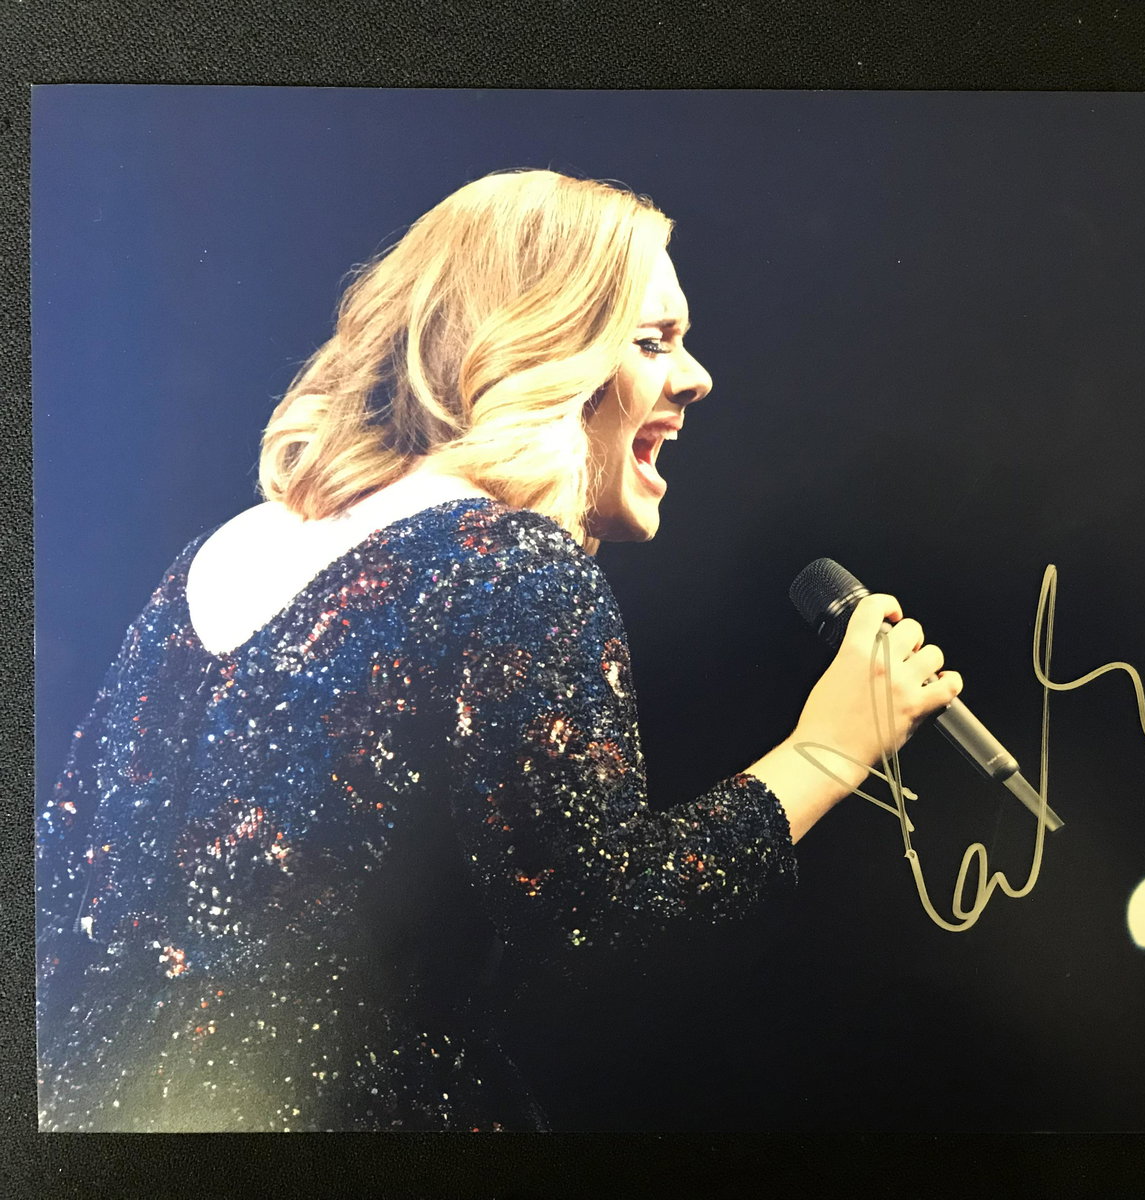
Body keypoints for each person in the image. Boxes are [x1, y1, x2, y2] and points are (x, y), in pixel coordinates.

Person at [34, 168, 963, 1131]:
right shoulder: (508, 566)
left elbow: (58, 901)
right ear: (538, 349)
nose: (697, 378)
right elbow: (601, 925)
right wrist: (828, 750)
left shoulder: (218, 554)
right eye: (652, 341)